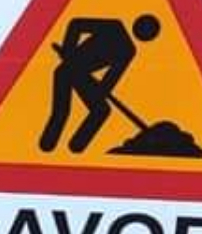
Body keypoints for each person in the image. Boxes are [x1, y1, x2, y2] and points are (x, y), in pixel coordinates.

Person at [43, 12, 157, 155]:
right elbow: (76, 24)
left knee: (101, 110)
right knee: (62, 111)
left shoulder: (128, 51)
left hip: (81, 77)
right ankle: (47, 146)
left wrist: (101, 91)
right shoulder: (114, 28)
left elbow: (111, 78)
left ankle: (76, 147)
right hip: (66, 70)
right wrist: (69, 50)